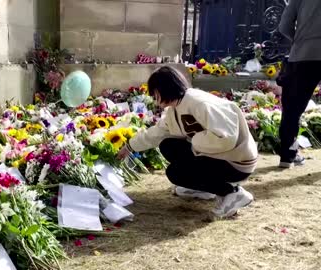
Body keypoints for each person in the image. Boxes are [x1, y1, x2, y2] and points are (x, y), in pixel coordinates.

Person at [118, 66, 258, 218]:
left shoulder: (200, 103)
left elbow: (226, 137)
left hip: (235, 161)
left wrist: (195, 143)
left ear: (165, 88)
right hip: (218, 155)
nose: (154, 98)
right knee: (169, 146)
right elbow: (157, 132)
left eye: (155, 93)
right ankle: (204, 188)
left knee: (176, 173)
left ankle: (233, 193)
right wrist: (129, 146)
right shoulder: (176, 108)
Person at [277, 0, 321, 168]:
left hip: (303, 54)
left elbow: (284, 25)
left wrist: (300, 39)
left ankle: (288, 155)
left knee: (292, 108)